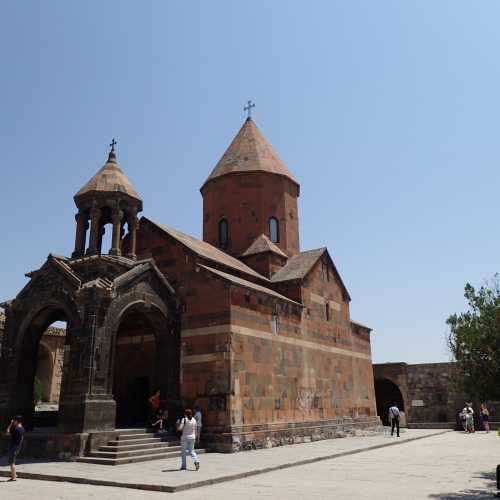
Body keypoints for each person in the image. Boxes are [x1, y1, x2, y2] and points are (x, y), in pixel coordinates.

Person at [5, 415, 25, 481]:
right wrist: (19, 446)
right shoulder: (22, 428)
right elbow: (22, 438)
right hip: (18, 447)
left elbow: (7, 432)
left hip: (13, 447)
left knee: (12, 463)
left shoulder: (15, 429)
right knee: (13, 461)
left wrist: (10, 424)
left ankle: (14, 477)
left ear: (16, 421)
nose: (13, 422)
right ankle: (15, 474)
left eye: (14, 421)